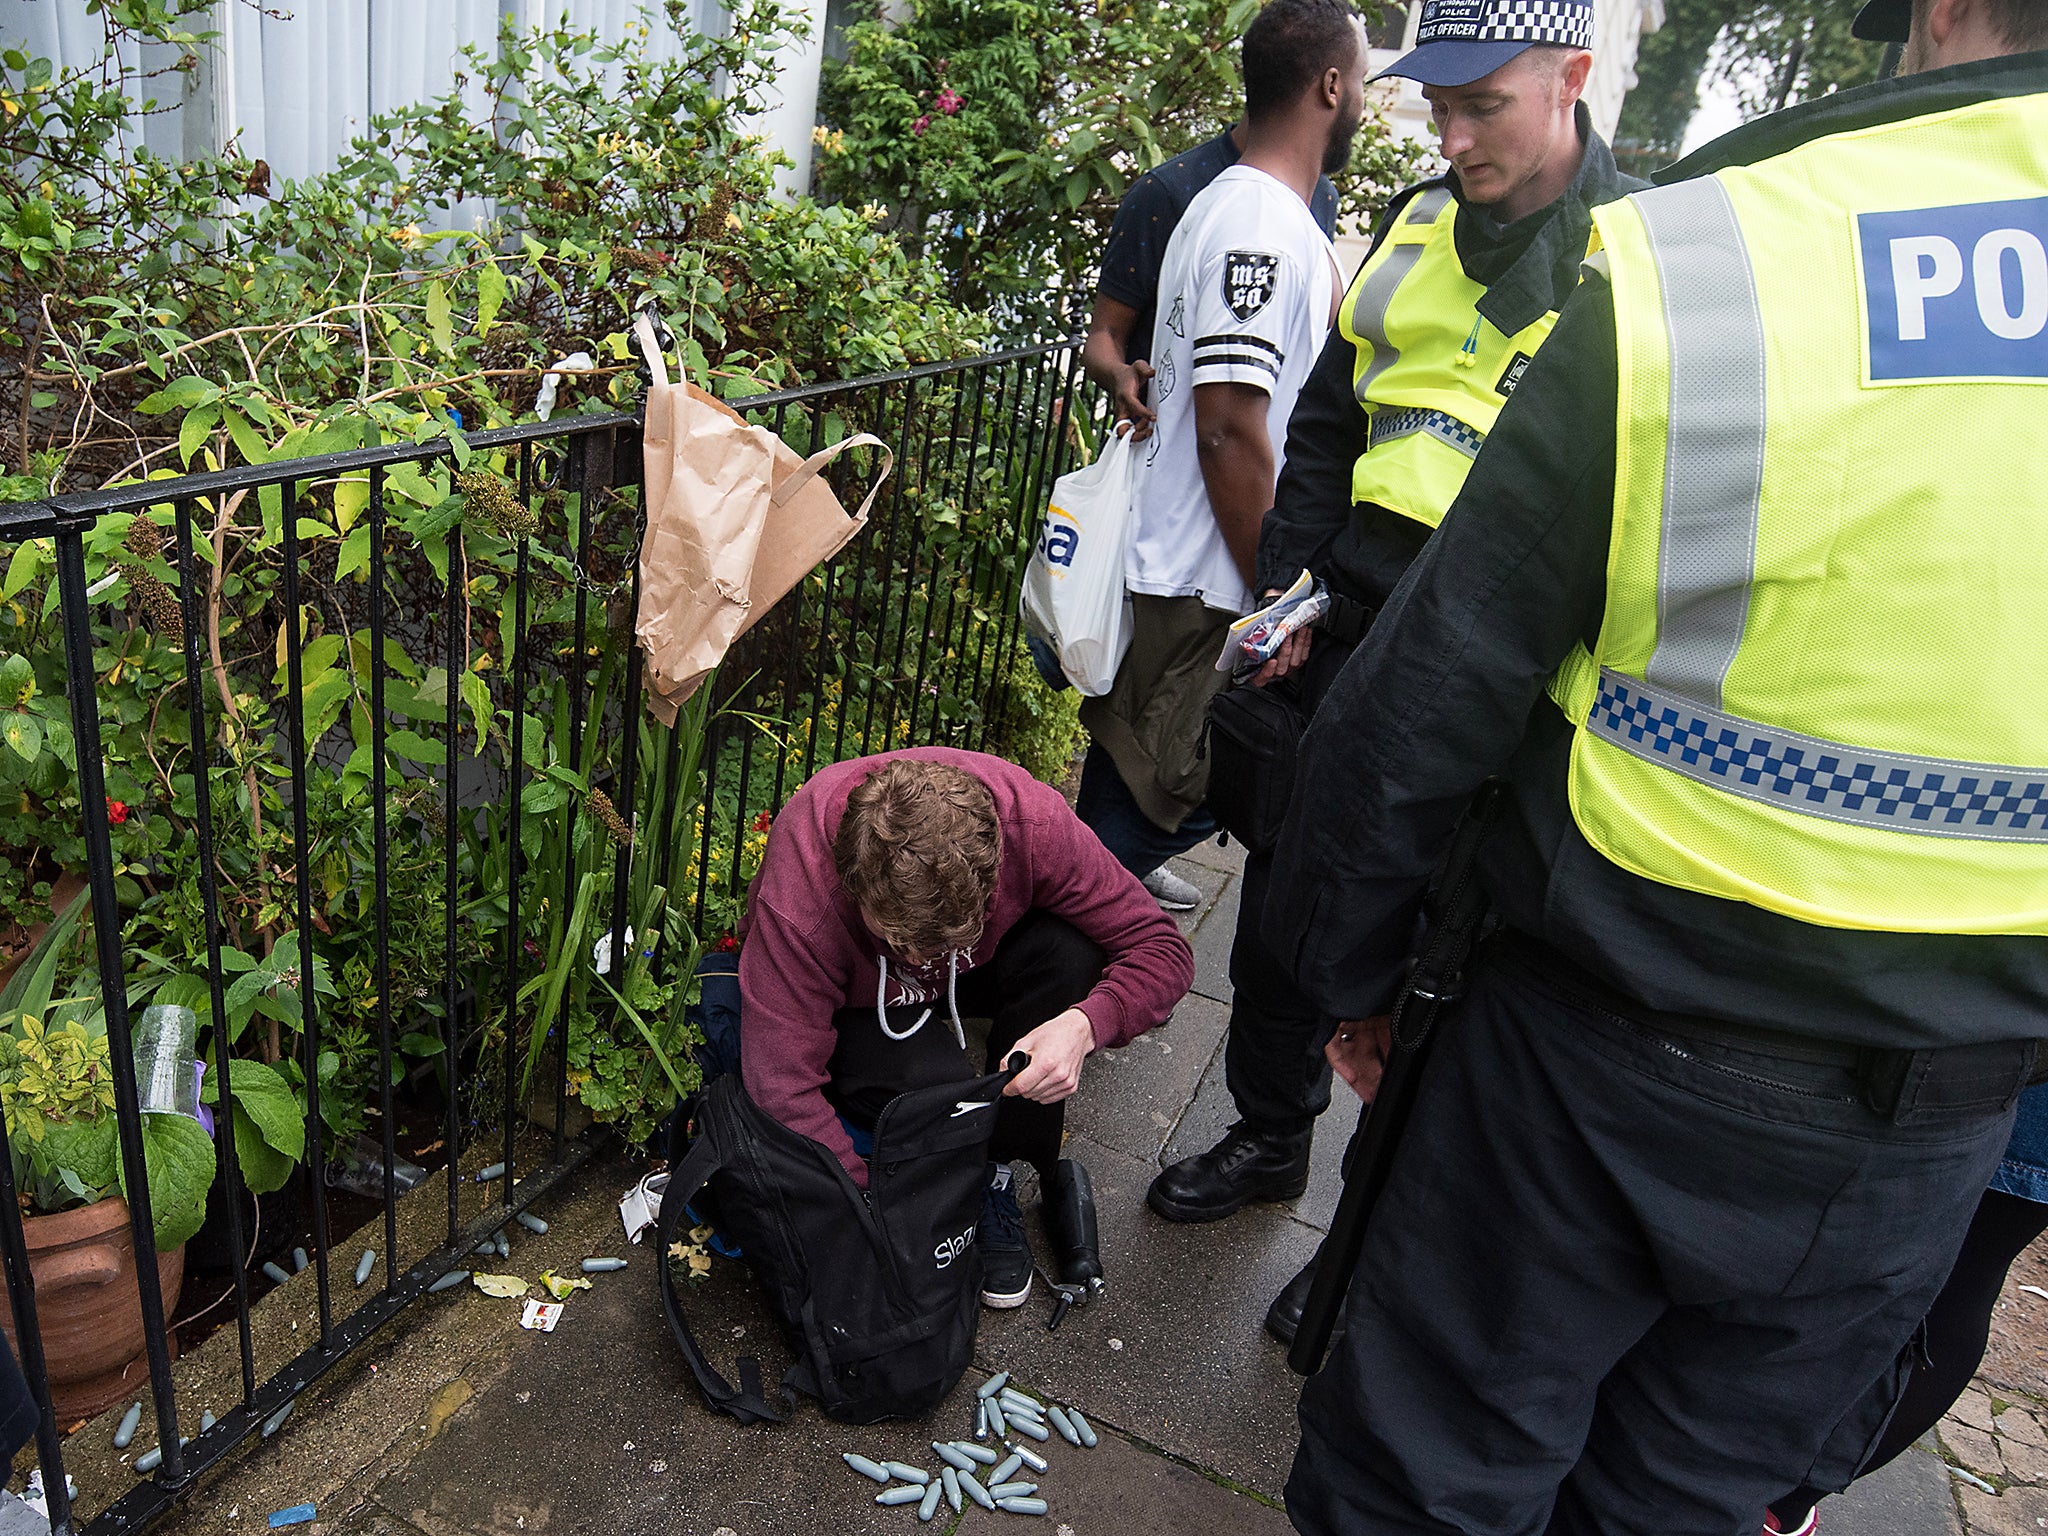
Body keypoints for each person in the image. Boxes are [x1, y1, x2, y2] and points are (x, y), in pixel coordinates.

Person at [1264, 0, 2048, 1524]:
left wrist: (1348, 974)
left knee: (1425, 1482)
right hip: (1928, 1120)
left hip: (1597, 1057)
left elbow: (1440, 687)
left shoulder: (1723, 258)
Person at [1143, 0, 1643, 1339]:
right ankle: (1265, 1137)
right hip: (1352, 629)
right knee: (1293, 914)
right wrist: (1295, 587)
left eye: (1487, 104)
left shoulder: (1634, 258)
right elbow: (1325, 421)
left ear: (1573, 79)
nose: (1455, 132)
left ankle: (1361, 1250)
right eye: (1440, 104)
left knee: (1431, 979)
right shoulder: (1416, 225)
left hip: (1496, 679)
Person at [1075, 0, 1363, 918]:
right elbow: (1229, 425)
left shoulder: (1244, 207)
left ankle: (1015, 985)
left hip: (1195, 576)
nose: (1362, 99)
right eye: (1360, 80)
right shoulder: (1259, 229)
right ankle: (993, 987)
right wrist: (1279, 596)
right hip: (1211, 588)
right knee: (1154, 813)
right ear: (1330, 85)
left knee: (1127, 810)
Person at [736, 749, 1193, 1310]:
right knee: (940, 1090)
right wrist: (869, 1208)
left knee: (1073, 955)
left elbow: (1163, 947)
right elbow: (780, 1085)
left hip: (973, 968)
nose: (919, 956)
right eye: (901, 938)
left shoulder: (1033, 824)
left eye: (938, 941)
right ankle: (945, 1162)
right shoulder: (803, 892)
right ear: (854, 887)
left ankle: (999, 1169)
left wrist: (1083, 1026)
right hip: (860, 998)